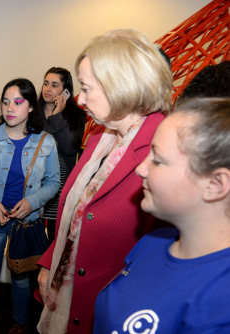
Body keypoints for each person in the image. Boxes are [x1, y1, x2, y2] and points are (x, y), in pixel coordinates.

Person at [36, 28, 172, 334]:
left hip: (111, 308)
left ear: (120, 87)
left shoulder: (163, 149)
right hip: (67, 291)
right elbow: (77, 210)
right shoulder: (102, 135)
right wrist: (49, 262)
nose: (80, 100)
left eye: (86, 88)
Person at [94, 98, 230, 333]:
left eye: (157, 160)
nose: (140, 169)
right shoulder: (152, 242)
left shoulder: (220, 303)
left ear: (215, 185)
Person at [0, 79, 60, 334]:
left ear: (32, 107)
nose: (10, 108)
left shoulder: (45, 142)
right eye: (6, 102)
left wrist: (32, 202)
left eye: (18, 102)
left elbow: (54, 182)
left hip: (26, 223)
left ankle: (19, 324)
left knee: (21, 280)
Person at [37, 67, 86, 243]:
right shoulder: (32, 113)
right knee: (33, 243)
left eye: (54, 85)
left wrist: (57, 116)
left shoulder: (77, 115)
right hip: (34, 185)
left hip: (60, 188)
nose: (47, 88)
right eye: (46, 83)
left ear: (65, 91)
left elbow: (70, 148)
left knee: (54, 242)